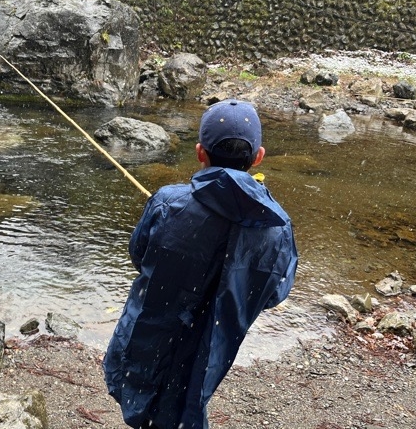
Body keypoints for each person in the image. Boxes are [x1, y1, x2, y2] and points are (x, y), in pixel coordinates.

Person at [103, 99, 298, 429]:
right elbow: (273, 293)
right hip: (210, 344)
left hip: (152, 328)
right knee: (187, 397)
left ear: (199, 152)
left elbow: (139, 254)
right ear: (259, 156)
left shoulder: (167, 201)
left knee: (141, 388)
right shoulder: (277, 227)